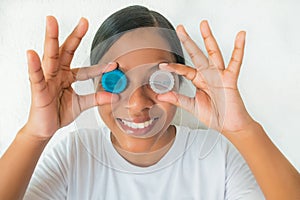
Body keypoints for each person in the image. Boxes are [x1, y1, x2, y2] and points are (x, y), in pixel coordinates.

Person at [0, 5, 299, 200]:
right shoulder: (73, 155)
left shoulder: (219, 156)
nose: (137, 104)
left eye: (158, 80)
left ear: (181, 80)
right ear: (93, 82)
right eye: (115, 80)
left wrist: (242, 129)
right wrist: (34, 134)